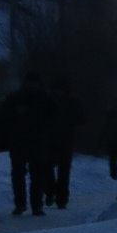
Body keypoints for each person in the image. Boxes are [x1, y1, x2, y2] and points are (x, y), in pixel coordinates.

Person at [0, 76, 51, 217]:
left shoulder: (43, 99)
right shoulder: (20, 98)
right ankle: (27, 205)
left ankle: (30, 205)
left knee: (31, 175)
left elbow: (54, 118)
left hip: (31, 142)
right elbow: (4, 117)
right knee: (27, 175)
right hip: (23, 142)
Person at [45, 73, 79, 210]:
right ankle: (52, 192)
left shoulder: (71, 102)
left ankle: (60, 197)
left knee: (62, 170)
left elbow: (81, 118)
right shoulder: (48, 102)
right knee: (50, 168)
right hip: (53, 139)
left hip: (63, 139)